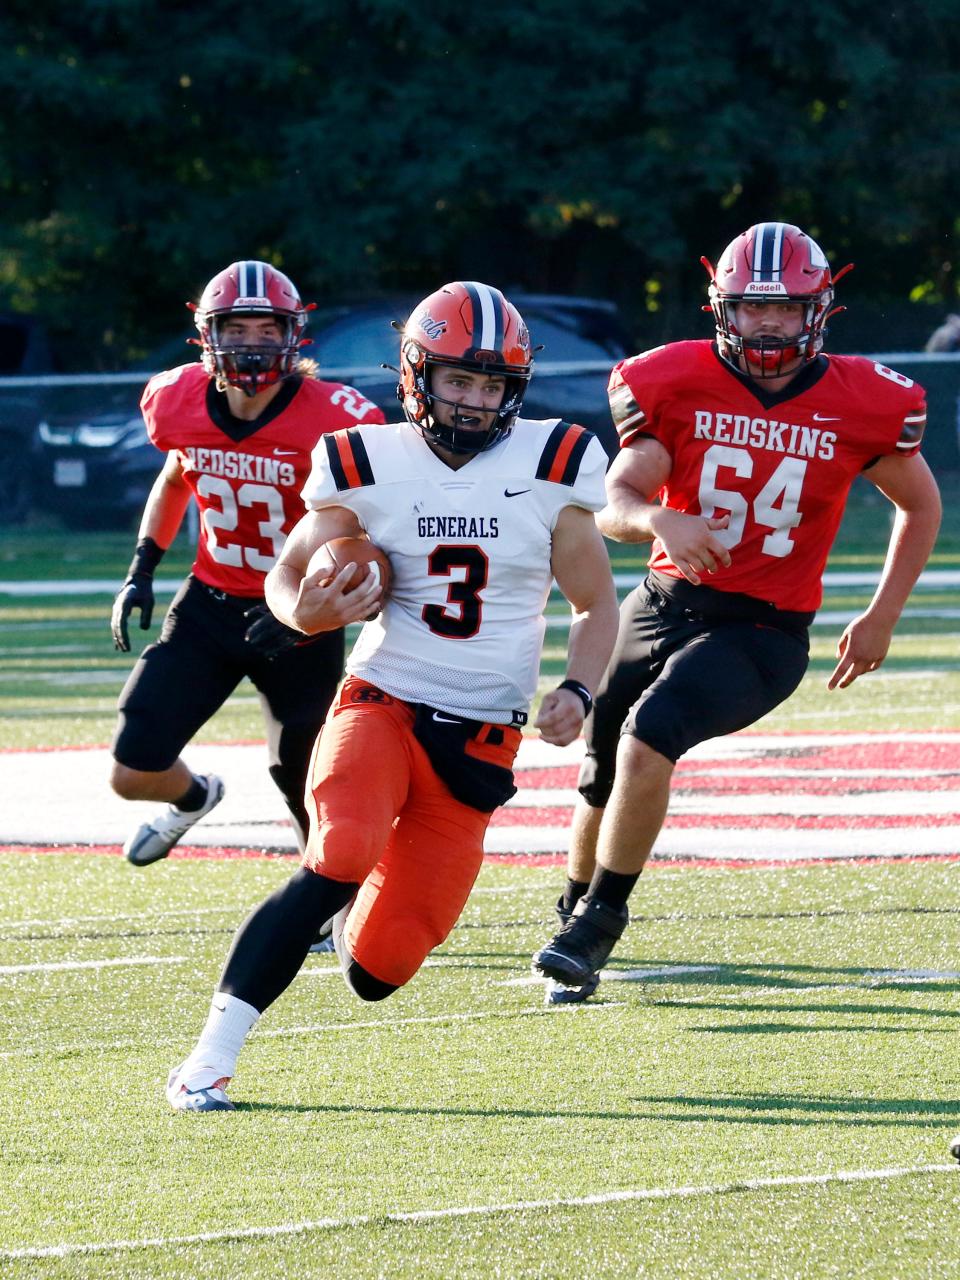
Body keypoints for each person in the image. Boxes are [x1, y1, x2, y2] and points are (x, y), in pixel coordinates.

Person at [165, 280, 619, 1111]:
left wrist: (580, 688)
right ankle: (210, 1057)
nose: (477, 402)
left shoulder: (553, 463)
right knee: (339, 852)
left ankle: (355, 919)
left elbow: (597, 605)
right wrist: (302, 610)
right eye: (459, 381)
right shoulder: (363, 459)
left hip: (482, 742)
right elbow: (286, 572)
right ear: (417, 376)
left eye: (492, 385)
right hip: (383, 698)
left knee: (381, 971)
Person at [532, 220, 942, 1002]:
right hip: (659, 603)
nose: (768, 324)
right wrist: (659, 519)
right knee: (598, 771)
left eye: (786, 310)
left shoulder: (864, 400)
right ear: (721, 305)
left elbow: (919, 507)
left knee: (653, 736)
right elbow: (614, 500)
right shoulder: (673, 379)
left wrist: (884, 613)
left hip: (763, 626)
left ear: (818, 312)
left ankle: (597, 927)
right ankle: (574, 909)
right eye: (754, 307)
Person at [109, 260, 384, 867]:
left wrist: (314, 603)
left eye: (267, 331)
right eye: (238, 330)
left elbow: (373, 522)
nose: (252, 345)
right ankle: (193, 799)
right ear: (208, 334)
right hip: (209, 602)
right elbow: (178, 471)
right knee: (133, 767)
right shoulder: (178, 400)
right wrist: (143, 566)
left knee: (302, 775)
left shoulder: (337, 418)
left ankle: (321, 900)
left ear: (293, 335)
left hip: (300, 616)